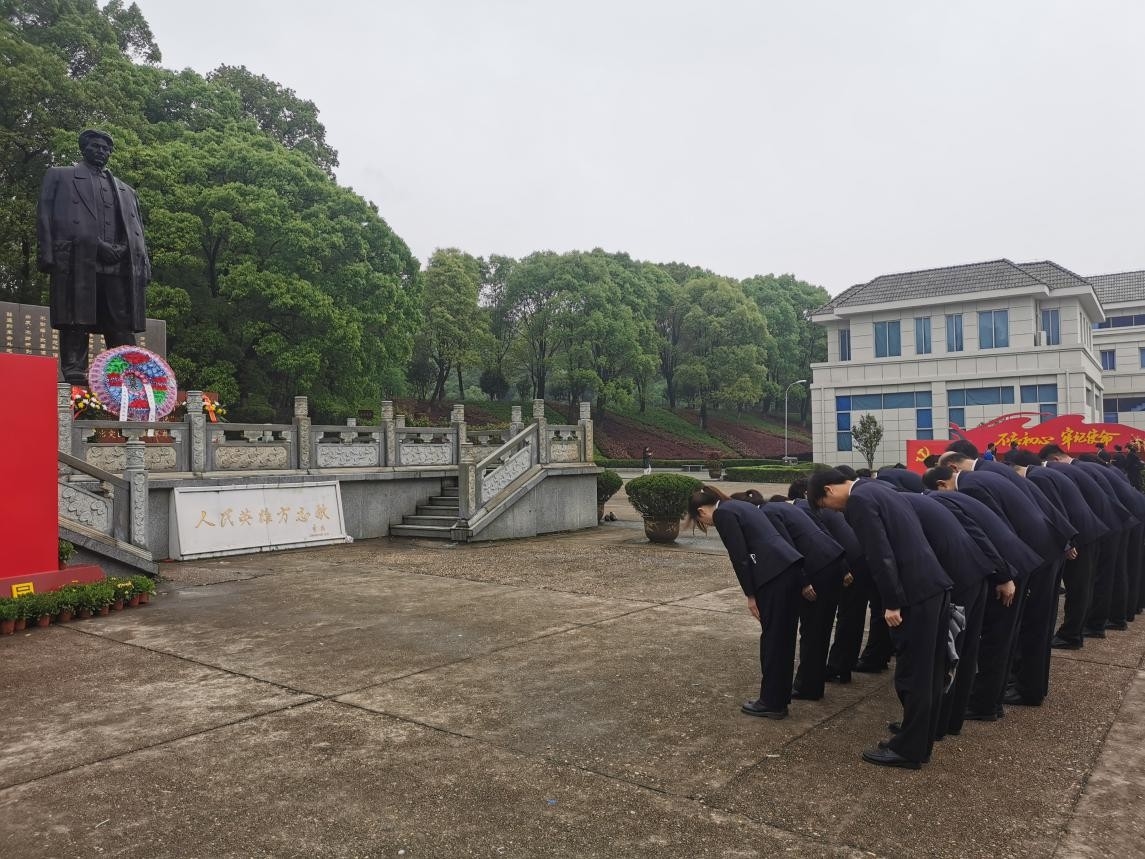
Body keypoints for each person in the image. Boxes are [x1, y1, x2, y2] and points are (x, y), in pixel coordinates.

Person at [808, 470, 953, 769]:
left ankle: (909, 750)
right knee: (930, 671)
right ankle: (918, 739)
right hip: (933, 586)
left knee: (913, 673)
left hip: (912, 593)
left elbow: (880, 553)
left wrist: (891, 602)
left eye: (825, 504)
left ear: (828, 489)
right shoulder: (880, 489)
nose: (833, 510)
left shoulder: (859, 499)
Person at [37, 129, 151, 385]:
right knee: (76, 317)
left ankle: (128, 374)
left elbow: (136, 230)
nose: (101, 151)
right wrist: (47, 255)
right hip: (78, 259)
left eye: (106, 148)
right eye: (96, 146)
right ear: (84, 148)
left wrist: (136, 259)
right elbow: (45, 215)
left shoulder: (125, 190)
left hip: (119, 264)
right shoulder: (61, 176)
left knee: (120, 322)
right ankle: (74, 371)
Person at [688, 486, 803, 719]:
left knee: (773, 639)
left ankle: (771, 702)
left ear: (701, 510)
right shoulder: (739, 505)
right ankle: (778, 698)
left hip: (774, 576)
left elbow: (739, 557)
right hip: (788, 569)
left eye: (700, 520)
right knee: (783, 637)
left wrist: (750, 595)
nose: (707, 524)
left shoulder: (724, 514)